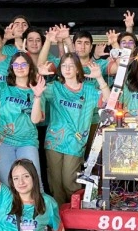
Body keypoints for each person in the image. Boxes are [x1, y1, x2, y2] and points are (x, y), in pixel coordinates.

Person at [35, 53, 111, 205]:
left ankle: (74, 211)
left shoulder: (89, 90)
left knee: (70, 182)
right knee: (55, 183)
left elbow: (110, 101)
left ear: (78, 69)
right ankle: (60, 214)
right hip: (54, 140)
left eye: (71, 65)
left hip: (76, 142)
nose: (67, 69)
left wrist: (99, 78)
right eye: (64, 65)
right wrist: (39, 75)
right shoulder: (54, 87)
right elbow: (35, 90)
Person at [0, 52, 45, 183]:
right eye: (16, 65)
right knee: (8, 182)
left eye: (23, 64)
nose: (19, 67)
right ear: (11, 68)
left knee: (33, 182)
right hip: (3, 141)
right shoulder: (3, 87)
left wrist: (37, 96)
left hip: (27, 141)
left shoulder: (37, 88)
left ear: (30, 67)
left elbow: (35, 120)